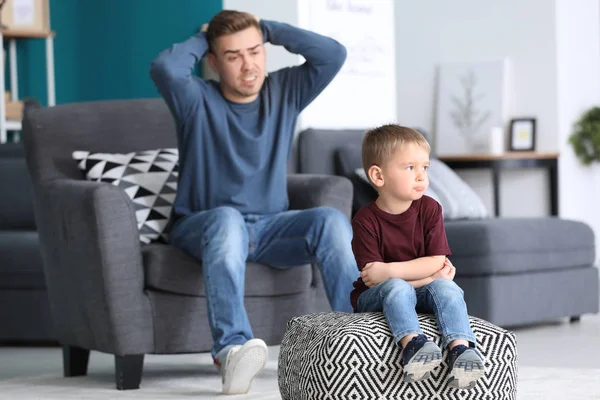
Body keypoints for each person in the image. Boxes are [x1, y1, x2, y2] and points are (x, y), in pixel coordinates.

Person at [150, 10, 358, 395]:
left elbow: (333, 54)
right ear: (213, 62)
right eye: (233, 56)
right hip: (202, 225)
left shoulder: (285, 91)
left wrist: (269, 29)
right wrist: (204, 36)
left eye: (255, 51)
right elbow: (165, 67)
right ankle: (232, 350)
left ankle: (360, 341)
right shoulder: (196, 99)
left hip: (269, 228)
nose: (249, 65)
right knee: (228, 220)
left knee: (330, 219)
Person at [350, 124, 485, 389]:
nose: (421, 176)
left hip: (412, 286)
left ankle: (460, 349)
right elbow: (376, 282)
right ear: (378, 176)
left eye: (425, 167)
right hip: (375, 296)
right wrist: (425, 276)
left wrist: (393, 271)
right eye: (410, 168)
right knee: (398, 288)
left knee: (448, 287)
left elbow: (436, 261)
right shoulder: (364, 220)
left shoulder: (430, 209)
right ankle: (413, 346)